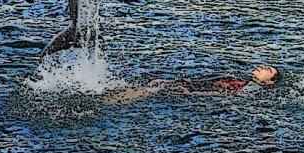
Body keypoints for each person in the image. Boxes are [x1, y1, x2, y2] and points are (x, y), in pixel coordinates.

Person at [108, 65, 280, 103]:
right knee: (153, 85)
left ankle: (110, 102)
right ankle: (110, 98)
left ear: (269, 82)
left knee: (148, 91)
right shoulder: (245, 82)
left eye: (267, 69)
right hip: (188, 85)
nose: (260, 67)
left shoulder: (251, 89)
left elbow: (223, 94)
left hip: (188, 89)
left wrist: (191, 94)